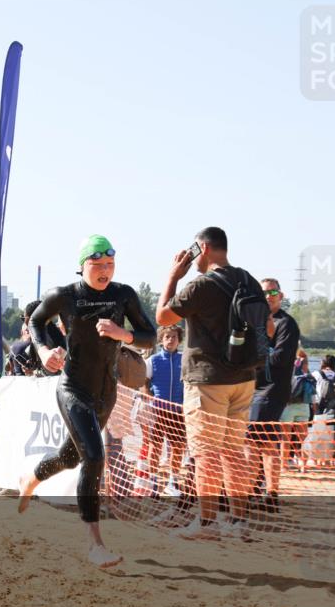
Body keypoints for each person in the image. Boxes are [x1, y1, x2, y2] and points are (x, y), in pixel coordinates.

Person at [18, 234, 156, 568]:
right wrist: (44, 350)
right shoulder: (64, 295)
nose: (105, 270)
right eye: (98, 264)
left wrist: (123, 335)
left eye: (110, 264)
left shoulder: (123, 295)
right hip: (73, 388)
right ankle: (95, 544)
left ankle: (31, 479)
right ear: (83, 266)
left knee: (69, 457)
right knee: (95, 456)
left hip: (106, 391)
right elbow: (36, 319)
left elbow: (149, 334)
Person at [155, 226, 272, 541]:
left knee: (206, 453)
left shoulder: (200, 286)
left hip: (207, 380)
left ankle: (206, 525)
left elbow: (163, 318)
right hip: (244, 378)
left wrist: (172, 276)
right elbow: (269, 328)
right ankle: (238, 522)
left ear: (202, 248)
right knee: (234, 452)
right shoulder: (247, 279)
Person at [245, 278, 300, 513]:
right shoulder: (255, 322)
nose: (268, 296)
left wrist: (254, 358)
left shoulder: (286, 323)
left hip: (272, 390)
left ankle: (266, 494)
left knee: (257, 442)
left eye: (273, 292)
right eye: (264, 292)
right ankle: (262, 491)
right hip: (252, 388)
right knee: (261, 443)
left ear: (281, 295)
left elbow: (281, 358)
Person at [142, 325, 187, 502]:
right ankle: (154, 483)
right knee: (155, 447)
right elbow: (144, 382)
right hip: (158, 411)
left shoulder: (184, 360)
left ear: (179, 339)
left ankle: (172, 482)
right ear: (161, 339)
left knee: (177, 448)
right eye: (167, 337)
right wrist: (148, 399)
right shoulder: (152, 360)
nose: (170, 340)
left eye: (174, 337)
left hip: (178, 411)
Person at [282, 354, 316, 472]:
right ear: (305, 364)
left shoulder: (287, 373)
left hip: (288, 407)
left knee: (285, 438)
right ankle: (303, 465)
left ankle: (284, 465)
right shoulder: (309, 377)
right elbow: (313, 398)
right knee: (303, 439)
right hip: (304, 407)